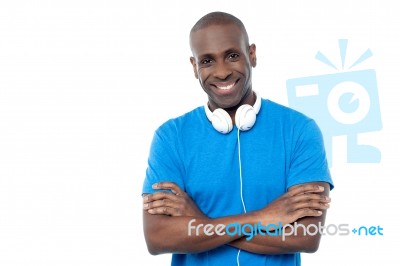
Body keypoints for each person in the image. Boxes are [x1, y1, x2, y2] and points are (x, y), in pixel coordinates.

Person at [142, 11, 334, 266]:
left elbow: (305, 237)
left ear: (252, 54)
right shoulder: (170, 137)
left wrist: (200, 225)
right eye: (207, 61)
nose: (221, 72)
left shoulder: (300, 130)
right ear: (194, 66)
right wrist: (261, 218)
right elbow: (158, 239)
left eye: (232, 56)